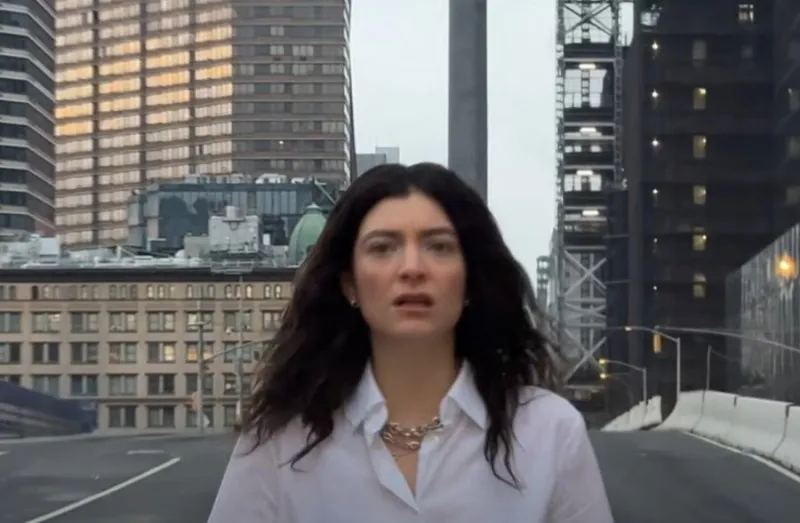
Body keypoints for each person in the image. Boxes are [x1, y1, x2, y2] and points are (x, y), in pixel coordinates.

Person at [207, 163, 614, 523]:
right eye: (383, 248)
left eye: (439, 247)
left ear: (470, 280)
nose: (412, 268)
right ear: (349, 284)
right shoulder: (280, 438)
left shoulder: (550, 432)